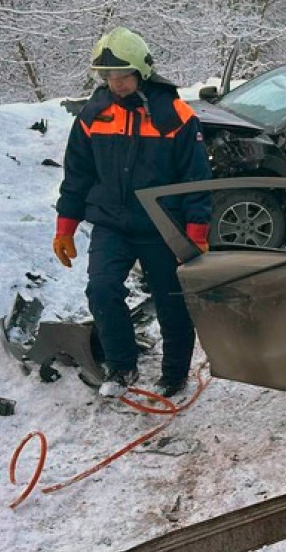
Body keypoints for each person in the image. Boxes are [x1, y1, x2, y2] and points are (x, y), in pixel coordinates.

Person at [52, 27, 212, 398]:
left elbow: (196, 180)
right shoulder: (95, 114)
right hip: (112, 223)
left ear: (141, 71)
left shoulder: (177, 117)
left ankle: (174, 374)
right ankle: (121, 366)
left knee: (171, 299)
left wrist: (197, 233)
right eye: (108, 76)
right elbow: (77, 175)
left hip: (163, 226)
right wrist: (65, 227)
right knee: (102, 289)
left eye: (122, 75)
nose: (115, 83)